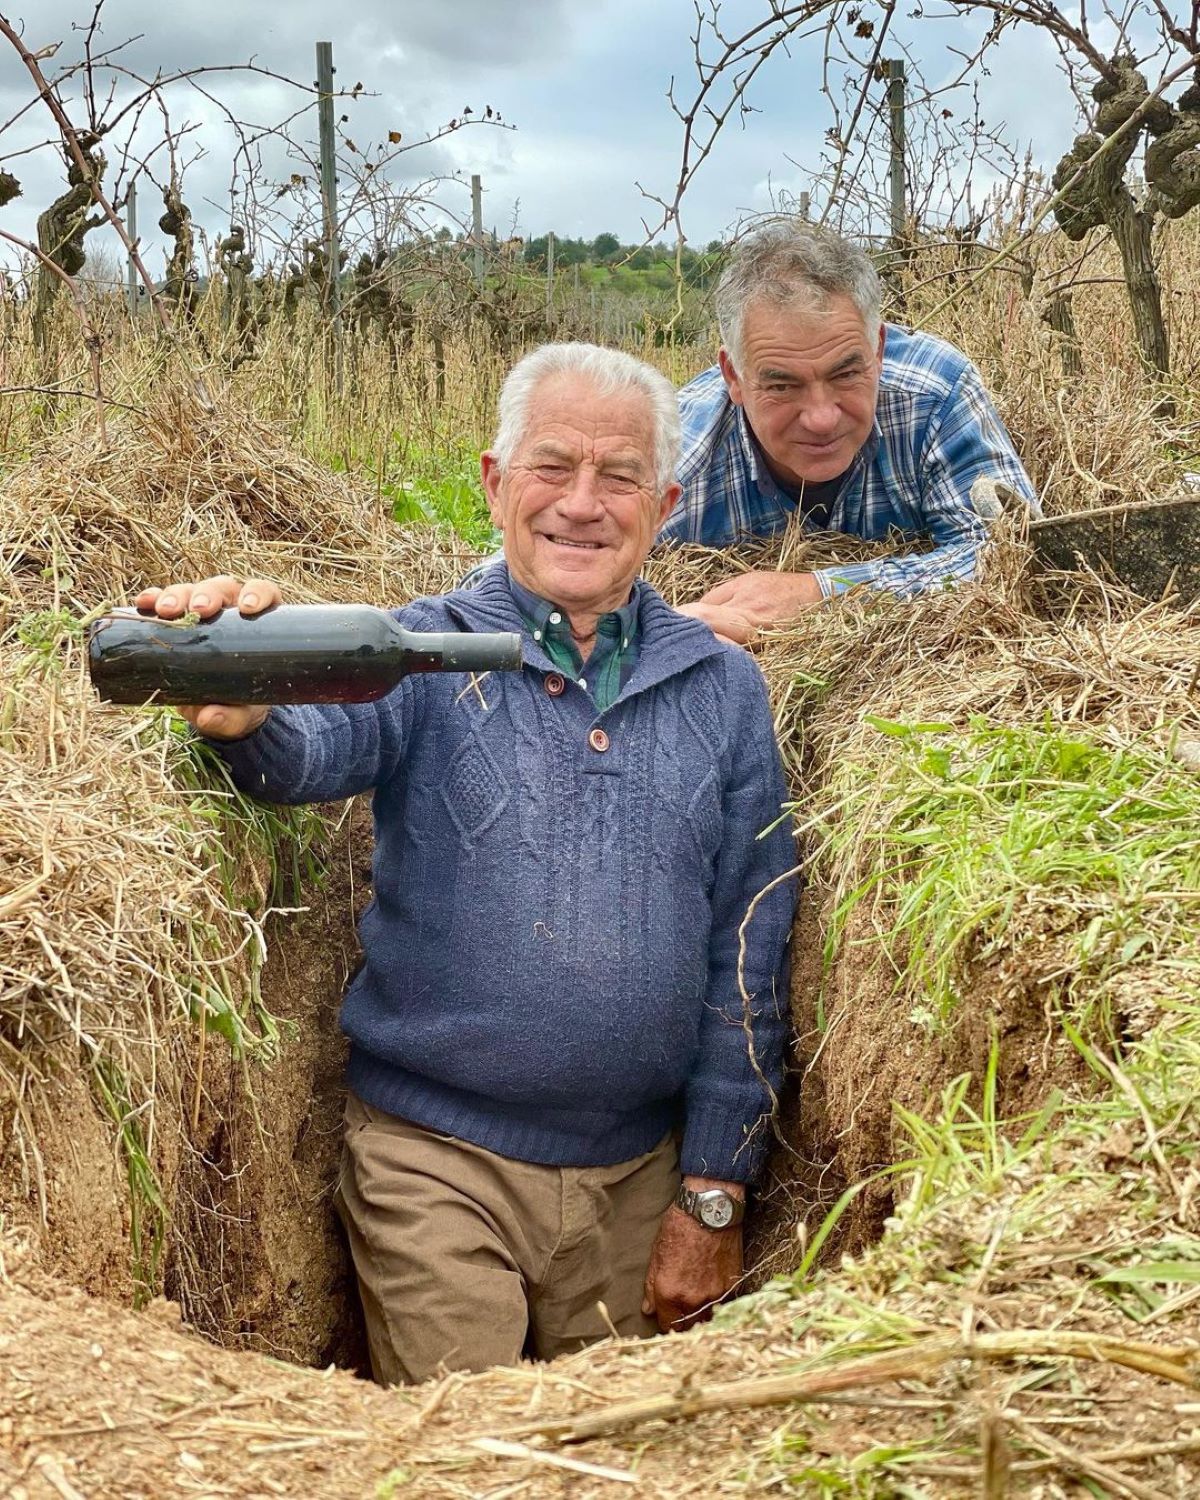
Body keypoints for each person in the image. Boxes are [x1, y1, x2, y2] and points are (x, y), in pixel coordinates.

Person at [136, 342, 797, 1387]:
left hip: (639, 1179)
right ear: (494, 484)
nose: (581, 503)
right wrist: (246, 708)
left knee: (619, 1448)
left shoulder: (724, 690)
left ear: (664, 506)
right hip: (434, 1168)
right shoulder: (419, 652)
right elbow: (315, 746)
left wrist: (713, 1192)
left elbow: (747, 952)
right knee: (465, 1441)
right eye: (552, 466)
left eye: (620, 476)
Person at [665, 220, 1039, 644]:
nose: (822, 419)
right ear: (733, 375)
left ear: (877, 350)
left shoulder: (936, 394)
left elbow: (1012, 551)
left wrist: (822, 591)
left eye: (845, 374)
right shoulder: (676, 458)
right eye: (783, 386)